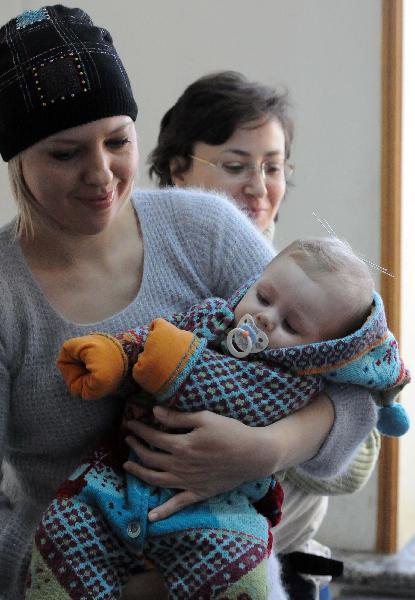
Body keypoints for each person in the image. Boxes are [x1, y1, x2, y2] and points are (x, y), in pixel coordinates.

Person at [0, 7, 377, 600]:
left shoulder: (204, 229)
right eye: (64, 153)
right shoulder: (6, 292)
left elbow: (360, 395)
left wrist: (264, 450)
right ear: (17, 157)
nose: (101, 174)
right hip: (65, 563)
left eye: (117, 141)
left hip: (222, 550)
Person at [26, 237, 410, 599]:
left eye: (292, 326)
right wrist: (115, 358)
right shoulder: (210, 317)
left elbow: (250, 400)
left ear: (323, 353)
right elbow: (151, 339)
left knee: (241, 572)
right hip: (117, 479)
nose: (264, 318)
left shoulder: (296, 387)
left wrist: (177, 367)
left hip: (218, 511)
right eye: (263, 296)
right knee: (65, 532)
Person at [147, 71, 382, 599]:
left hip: (260, 551)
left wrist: (261, 447)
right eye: (235, 166)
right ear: (178, 168)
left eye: (273, 167)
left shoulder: (318, 286)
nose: (258, 187)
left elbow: (357, 464)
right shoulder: (148, 266)